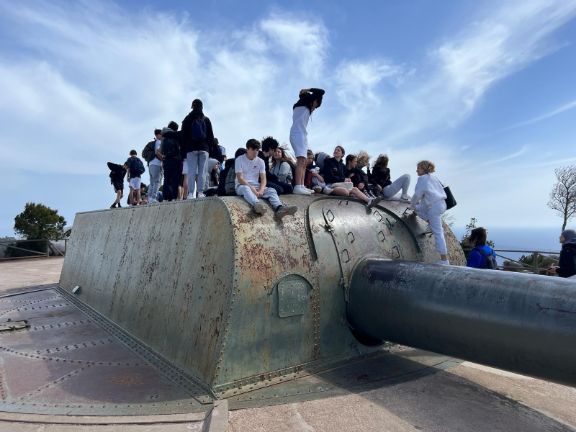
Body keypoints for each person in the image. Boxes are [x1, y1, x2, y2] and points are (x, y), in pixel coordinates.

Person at [235, 139, 298, 219]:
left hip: (256, 185)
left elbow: (263, 179)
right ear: (247, 149)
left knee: (272, 190)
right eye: (253, 149)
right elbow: (240, 178)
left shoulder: (261, 161)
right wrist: (253, 189)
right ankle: (257, 205)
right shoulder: (239, 159)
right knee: (245, 188)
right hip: (242, 185)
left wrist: (261, 190)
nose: (255, 152)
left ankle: (279, 208)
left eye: (257, 150)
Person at [410, 160, 449, 265]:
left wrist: (411, 205)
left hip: (433, 207)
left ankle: (444, 260)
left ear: (422, 169)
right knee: (418, 209)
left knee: (438, 233)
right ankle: (431, 223)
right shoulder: (434, 177)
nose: (416, 170)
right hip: (441, 204)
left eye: (418, 168)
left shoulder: (422, 179)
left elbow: (417, 195)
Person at [289, 88, 325, 195]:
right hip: (297, 134)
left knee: (304, 162)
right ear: (312, 100)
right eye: (316, 105)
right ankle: (297, 186)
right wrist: (306, 90)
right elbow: (321, 92)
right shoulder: (302, 103)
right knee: (300, 161)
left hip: (302, 134)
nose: (315, 108)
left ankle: (301, 185)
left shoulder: (304, 106)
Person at [181, 99, 215, 198]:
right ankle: (200, 192)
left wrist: (184, 149)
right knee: (202, 172)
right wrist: (209, 149)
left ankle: (190, 193)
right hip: (204, 148)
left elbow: (183, 136)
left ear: (192, 107)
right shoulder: (206, 119)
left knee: (191, 171)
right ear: (202, 107)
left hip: (191, 149)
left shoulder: (187, 119)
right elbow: (211, 136)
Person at [160, 123, 182, 202]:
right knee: (175, 179)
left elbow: (161, 150)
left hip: (167, 160)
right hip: (176, 159)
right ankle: (173, 197)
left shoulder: (164, 136)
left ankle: (165, 198)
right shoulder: (176, 135)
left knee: (166, 179)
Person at [148, 129, 163, 203]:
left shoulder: (153, 143)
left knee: (152, 182)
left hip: (150, 164)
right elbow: (157, 152)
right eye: (161, 134)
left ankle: (149, 198)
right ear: (158, 135)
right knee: (157, 182)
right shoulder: (159, 142)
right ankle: (153, 197)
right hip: (157, 164)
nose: (162, 135)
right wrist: (164, 159)